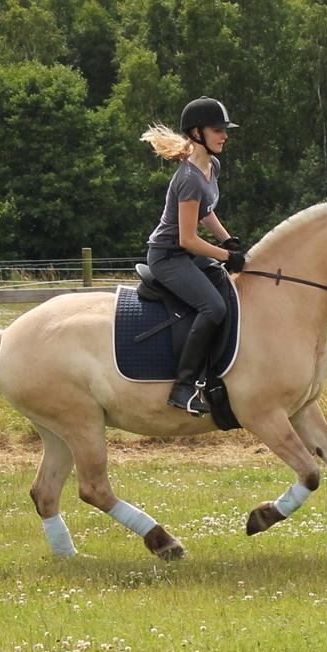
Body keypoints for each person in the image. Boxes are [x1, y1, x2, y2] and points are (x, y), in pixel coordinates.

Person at [141, 96, 248, 416]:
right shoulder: (187, 179)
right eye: (218, 130)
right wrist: (226, 256)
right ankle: (184, 387)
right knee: (212, 306)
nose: (225, 135)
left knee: (225, 286)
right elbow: (188, 240)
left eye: (225, 130)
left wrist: (228, 241)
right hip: (168, 257)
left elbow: (206, 213)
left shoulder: (212, 165)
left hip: (185, 253)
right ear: (198, 133)